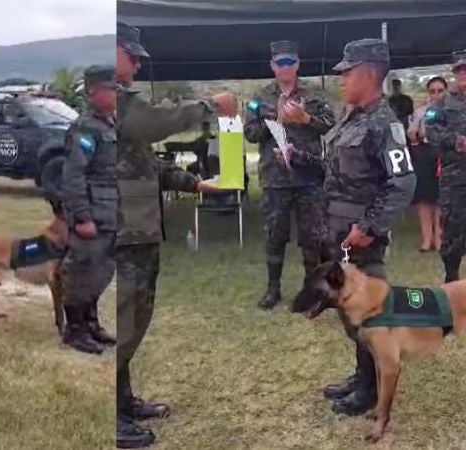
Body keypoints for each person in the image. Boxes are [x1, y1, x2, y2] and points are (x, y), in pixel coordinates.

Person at [115, 21, 236, 449]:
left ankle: (122, 400)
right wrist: (210, 106)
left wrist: (194, 183)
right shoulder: (112, 101)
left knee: (132, 318)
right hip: (120, 231)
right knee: (124, 320)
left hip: (137, 230)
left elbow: (146, 163)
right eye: (131, 56)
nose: (136, 65)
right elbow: (155, 122)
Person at [312, 39, 415, 416]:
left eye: (348, 72)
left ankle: (371, 390)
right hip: (337, 233)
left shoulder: (384, 123)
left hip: (360, 239)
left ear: (369, 74)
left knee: (367, 314)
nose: (341, 79)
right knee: (349, 312)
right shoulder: (351, 117)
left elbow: (402, 182)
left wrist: (369, 227)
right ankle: (362, 377)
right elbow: (336, 170)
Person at [244, 40, 334, 309]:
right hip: (275, 178)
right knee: (275, 235)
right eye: (280, 62)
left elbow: (331, 124)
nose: (285, 67)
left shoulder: (314, 93)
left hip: (309, 176)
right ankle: (273, 289)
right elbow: (250, 134)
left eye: (290, 62)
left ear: (298, 64)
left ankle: (312, 289)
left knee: (312, 237)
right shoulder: (260, 98)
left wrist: (306, 119)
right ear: (272, 65)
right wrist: (277, 120)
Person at [59, 65, 118, 355]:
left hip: (110, 213)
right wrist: (82, 217)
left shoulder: (110, 124)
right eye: (112, 89)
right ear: (95, 92)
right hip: (92, 214)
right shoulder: (84, 128)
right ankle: (75, 330)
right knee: (81, 271)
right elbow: (74, 176)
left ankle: (91, 324)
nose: (117, 94)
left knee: (101, 271)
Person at [427, 51, 466, 282]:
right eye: (460, 70)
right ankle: (452, 278)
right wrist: (458, 142)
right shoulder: (442, 103)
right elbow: (431, 131)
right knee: (453, 227)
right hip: (455, 176)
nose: (463, 74)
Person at [408, 77, 446, 252]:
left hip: (444, 153)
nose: (436, 94)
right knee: (424, 198)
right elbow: (411, 133)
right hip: (424, 153)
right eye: (433, 91)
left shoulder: (451, 110)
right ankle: (426, 238)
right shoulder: (421, 111)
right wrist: (416, 132)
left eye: (440, 90)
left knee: (439, 197)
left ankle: (439, 237)